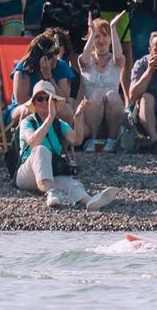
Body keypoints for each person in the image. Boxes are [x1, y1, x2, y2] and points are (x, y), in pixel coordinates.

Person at [15, 80, 117, 210]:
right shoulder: (27, 122)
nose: (45, 102)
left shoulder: (59, 123)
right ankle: (51, 193)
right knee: (41, 149)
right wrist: (49, 118)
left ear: (55, 103)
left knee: (72, 184)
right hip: (26, 174)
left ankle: (90, 201)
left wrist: (78, 118)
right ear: (34, 103)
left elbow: (76, 140)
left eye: (49, 99)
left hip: (50, 174)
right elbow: (33, 141)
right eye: (40, 99)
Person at [77, 13, 127, 153]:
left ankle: (111, 139)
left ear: (111, 39)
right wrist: (92, 32)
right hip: (91, 116)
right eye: (97, 36)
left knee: (112, 95)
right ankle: (92, 140)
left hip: (112, 115)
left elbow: (118, 56)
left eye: (105, 35)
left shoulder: (117, 61)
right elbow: (85, 60)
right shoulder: (85, 59)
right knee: (97, 95)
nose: (101, 40)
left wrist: (113, 28)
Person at [11, 33, 74, 124]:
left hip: (51, 104)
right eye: (51, 55)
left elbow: (63, 99)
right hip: (23, 108)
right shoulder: (24, 69)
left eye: (56, 53)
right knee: (28, 111)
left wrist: (49, 77)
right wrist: (43, 104)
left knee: (67, 111)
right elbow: (21, 100)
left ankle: (64, 137)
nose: (55, 58)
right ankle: (27, 136)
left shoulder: (61, 66)